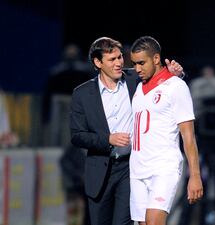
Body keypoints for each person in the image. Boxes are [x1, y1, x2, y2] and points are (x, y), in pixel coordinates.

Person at [70, 37, 183, 225]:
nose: (119, 62)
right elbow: (77, 136)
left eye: (120, 57)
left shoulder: (134, 79)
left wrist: (175, 74)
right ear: (98, 63)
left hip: (130, 168)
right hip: (100, 171)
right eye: (112, 59)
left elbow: (162, 82)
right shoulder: (82, 94)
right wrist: (108, 139)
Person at [129, 36, 203, 225]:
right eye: (134, 64)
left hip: (163, 168)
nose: (137, 69)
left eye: (141, 63)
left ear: (156, 58)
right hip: (137, 170)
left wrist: (194, 176)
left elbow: (188, 136)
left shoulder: (176, 87)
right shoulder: (138, 88)